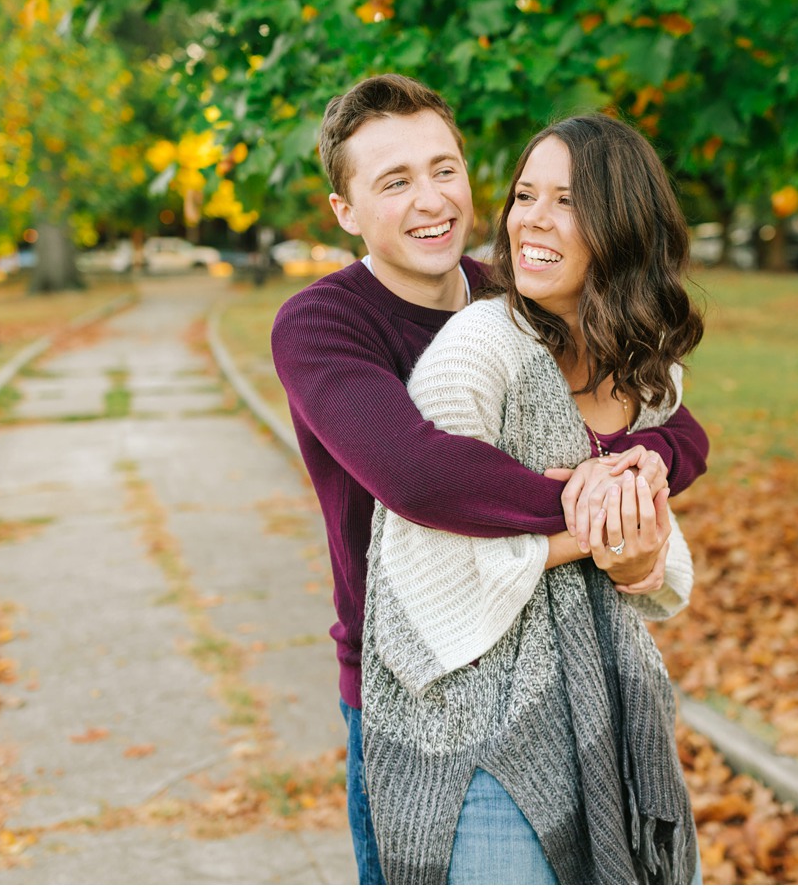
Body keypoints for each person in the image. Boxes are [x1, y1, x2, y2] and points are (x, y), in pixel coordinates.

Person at [269, 76, 710, 884]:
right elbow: (422, 475)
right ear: (345, 210)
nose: (431, 199)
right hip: (419, 678)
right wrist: (597, 514)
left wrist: (646, 469)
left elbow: (671, 420)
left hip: (568, 665)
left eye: (444, 168)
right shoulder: (322, 323)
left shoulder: (522, 289)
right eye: (394, 181)